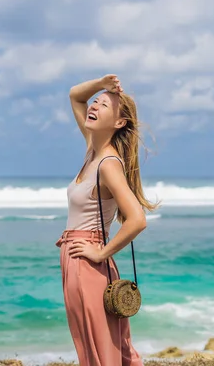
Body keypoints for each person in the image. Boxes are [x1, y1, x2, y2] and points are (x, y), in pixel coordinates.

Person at [55, 74, 159, 366]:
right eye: (96, 103)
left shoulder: (108, 164)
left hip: (87, 261)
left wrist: (100, 252)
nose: (95, 106)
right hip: (77, 259)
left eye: (103, 105)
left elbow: (137, 219)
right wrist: (103, 84)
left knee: (101, 348)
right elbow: (76, 95)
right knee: (99, 344)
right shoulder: (93, 148)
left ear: (119, 122)